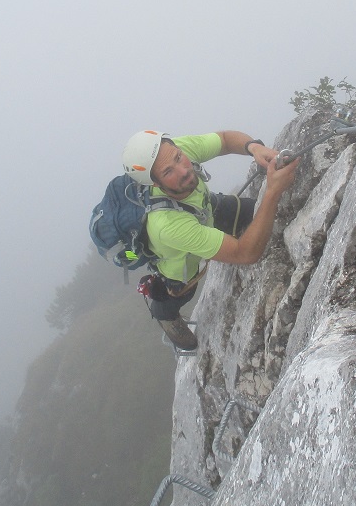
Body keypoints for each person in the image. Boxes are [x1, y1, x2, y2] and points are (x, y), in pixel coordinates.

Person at [121, 129, 300, 350]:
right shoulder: (167, 225)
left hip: (206, 210)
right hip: (180, 265)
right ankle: (164, 314)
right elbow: (245, 254)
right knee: (180, 294)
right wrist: (273, 191)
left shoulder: (171, 152)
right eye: (168, 172)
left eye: (179, 157)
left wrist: (254, 147)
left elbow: (224, 140)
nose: (184, 170)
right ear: (155, 184)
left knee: (257, 211)